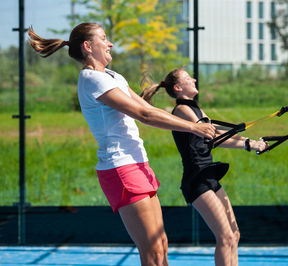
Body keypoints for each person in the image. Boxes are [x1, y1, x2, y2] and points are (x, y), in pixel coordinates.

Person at [28, 23, 215, 266]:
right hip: (121, 167)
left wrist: (193, 124)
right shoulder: (91, 79)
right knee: (153, 253)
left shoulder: (114, 76)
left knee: (161, 246)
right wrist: (193, 127)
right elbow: (143, 115)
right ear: (87, 46)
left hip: (139, 163)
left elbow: (148, 108)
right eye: (104, 38)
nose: (110, 43)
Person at [141, 68, 268, 266]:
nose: (194, 79)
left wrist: (250, 142)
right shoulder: (182, 110)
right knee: (225, 237)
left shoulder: (195, 109)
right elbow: (213, 136)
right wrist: (249, 144)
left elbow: (217, 133)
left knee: (234, 235)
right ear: (178, 87)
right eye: (188, 78)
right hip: (196, 180)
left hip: (208, 175)